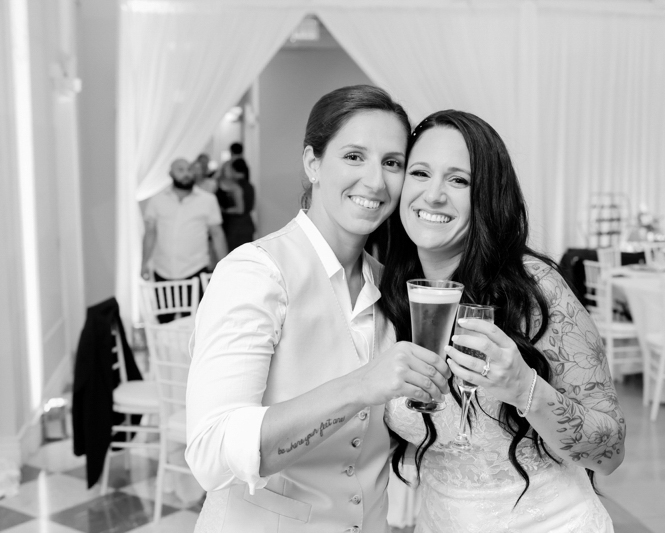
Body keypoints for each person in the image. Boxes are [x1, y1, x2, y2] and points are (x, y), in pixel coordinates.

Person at [185, 85, 452, 533]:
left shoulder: (392, 287)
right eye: (354, 156)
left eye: (392, 163)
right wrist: (358, 386)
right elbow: (211, 455)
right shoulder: (256, 273)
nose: (375, 181)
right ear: (313, 163)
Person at [381, 110, 625, 532]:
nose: (433, 195)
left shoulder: (534, 288)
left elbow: (611, 452)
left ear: (488, 196)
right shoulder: (390, 292)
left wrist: (523, 387)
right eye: (420, 173)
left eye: (459, 180)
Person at [141, 158, 227, 319]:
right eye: (180, 170)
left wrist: (225, 266)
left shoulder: (208, 200)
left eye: (188, 169)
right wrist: (144, 263)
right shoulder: (157, 200)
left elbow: (217, 234)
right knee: (165, 320)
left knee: (196, 322)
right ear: (170, 173)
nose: (186, 174)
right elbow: (150, 233)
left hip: (195, 269)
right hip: (163, 270)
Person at [216, 158, 256, 250]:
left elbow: (240, 209)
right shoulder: (249, 185)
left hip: (236, 227)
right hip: (246, 224)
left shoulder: (236, 187)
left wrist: (224, 210)